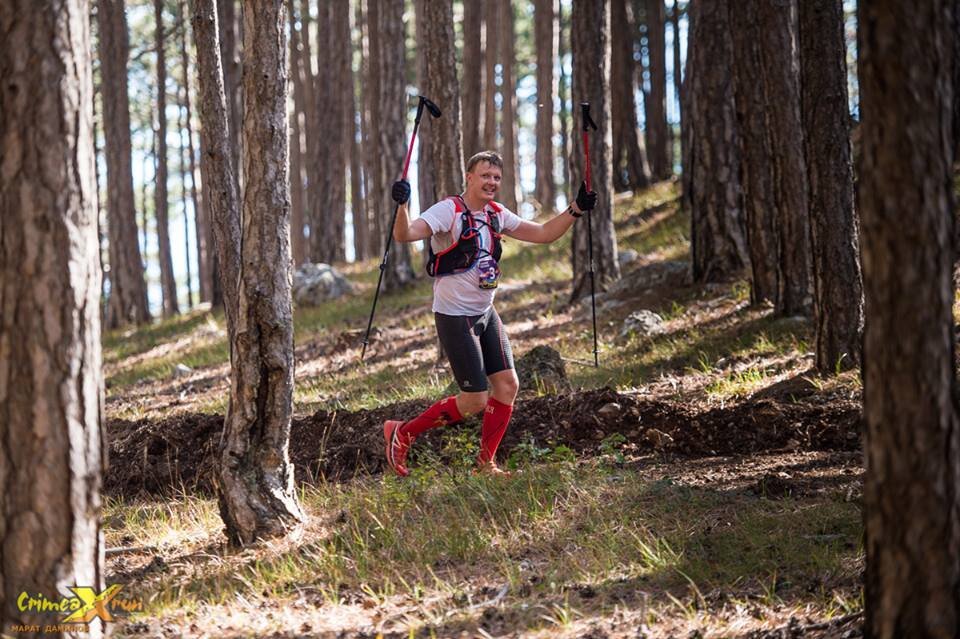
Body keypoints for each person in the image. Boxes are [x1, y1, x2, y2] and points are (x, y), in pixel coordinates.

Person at [383, 150, 597, 476]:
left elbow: (543, 234)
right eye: (485, 176)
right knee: (475, 399)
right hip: (455, 315)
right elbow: (404, 234)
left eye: (496, 177)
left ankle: (486, 465)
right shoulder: (449, 210)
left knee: (508, 385)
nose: (492, 182)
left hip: (485, 313)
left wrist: (576, 209)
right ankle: (402, 433)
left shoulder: (496, 214)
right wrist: (401, 205)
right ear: (469, 177)